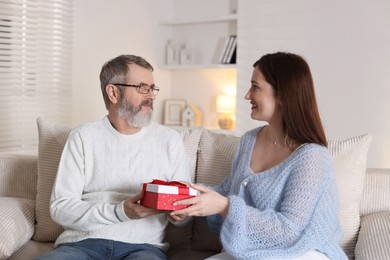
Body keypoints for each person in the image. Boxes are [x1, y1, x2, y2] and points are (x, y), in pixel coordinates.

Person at [171, 52, 348, 260]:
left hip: (304, 252)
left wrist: (225, 207)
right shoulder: (249, 141)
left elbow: (288, 231)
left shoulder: (312, 157)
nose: (247, 95)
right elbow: (229, 193)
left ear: (282, 94)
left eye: (255, 87)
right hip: (251, 252)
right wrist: (188, 197)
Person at [35, 54, 190, 260]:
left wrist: (180, 214)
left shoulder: (170, 140)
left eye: (152, 89)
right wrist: (121, 212)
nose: (151, 96)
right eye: (143, 88)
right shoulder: (83, 137)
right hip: (80, 245)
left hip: (143, 248)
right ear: (113, 92)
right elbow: (61, 208)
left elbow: (183, 212)